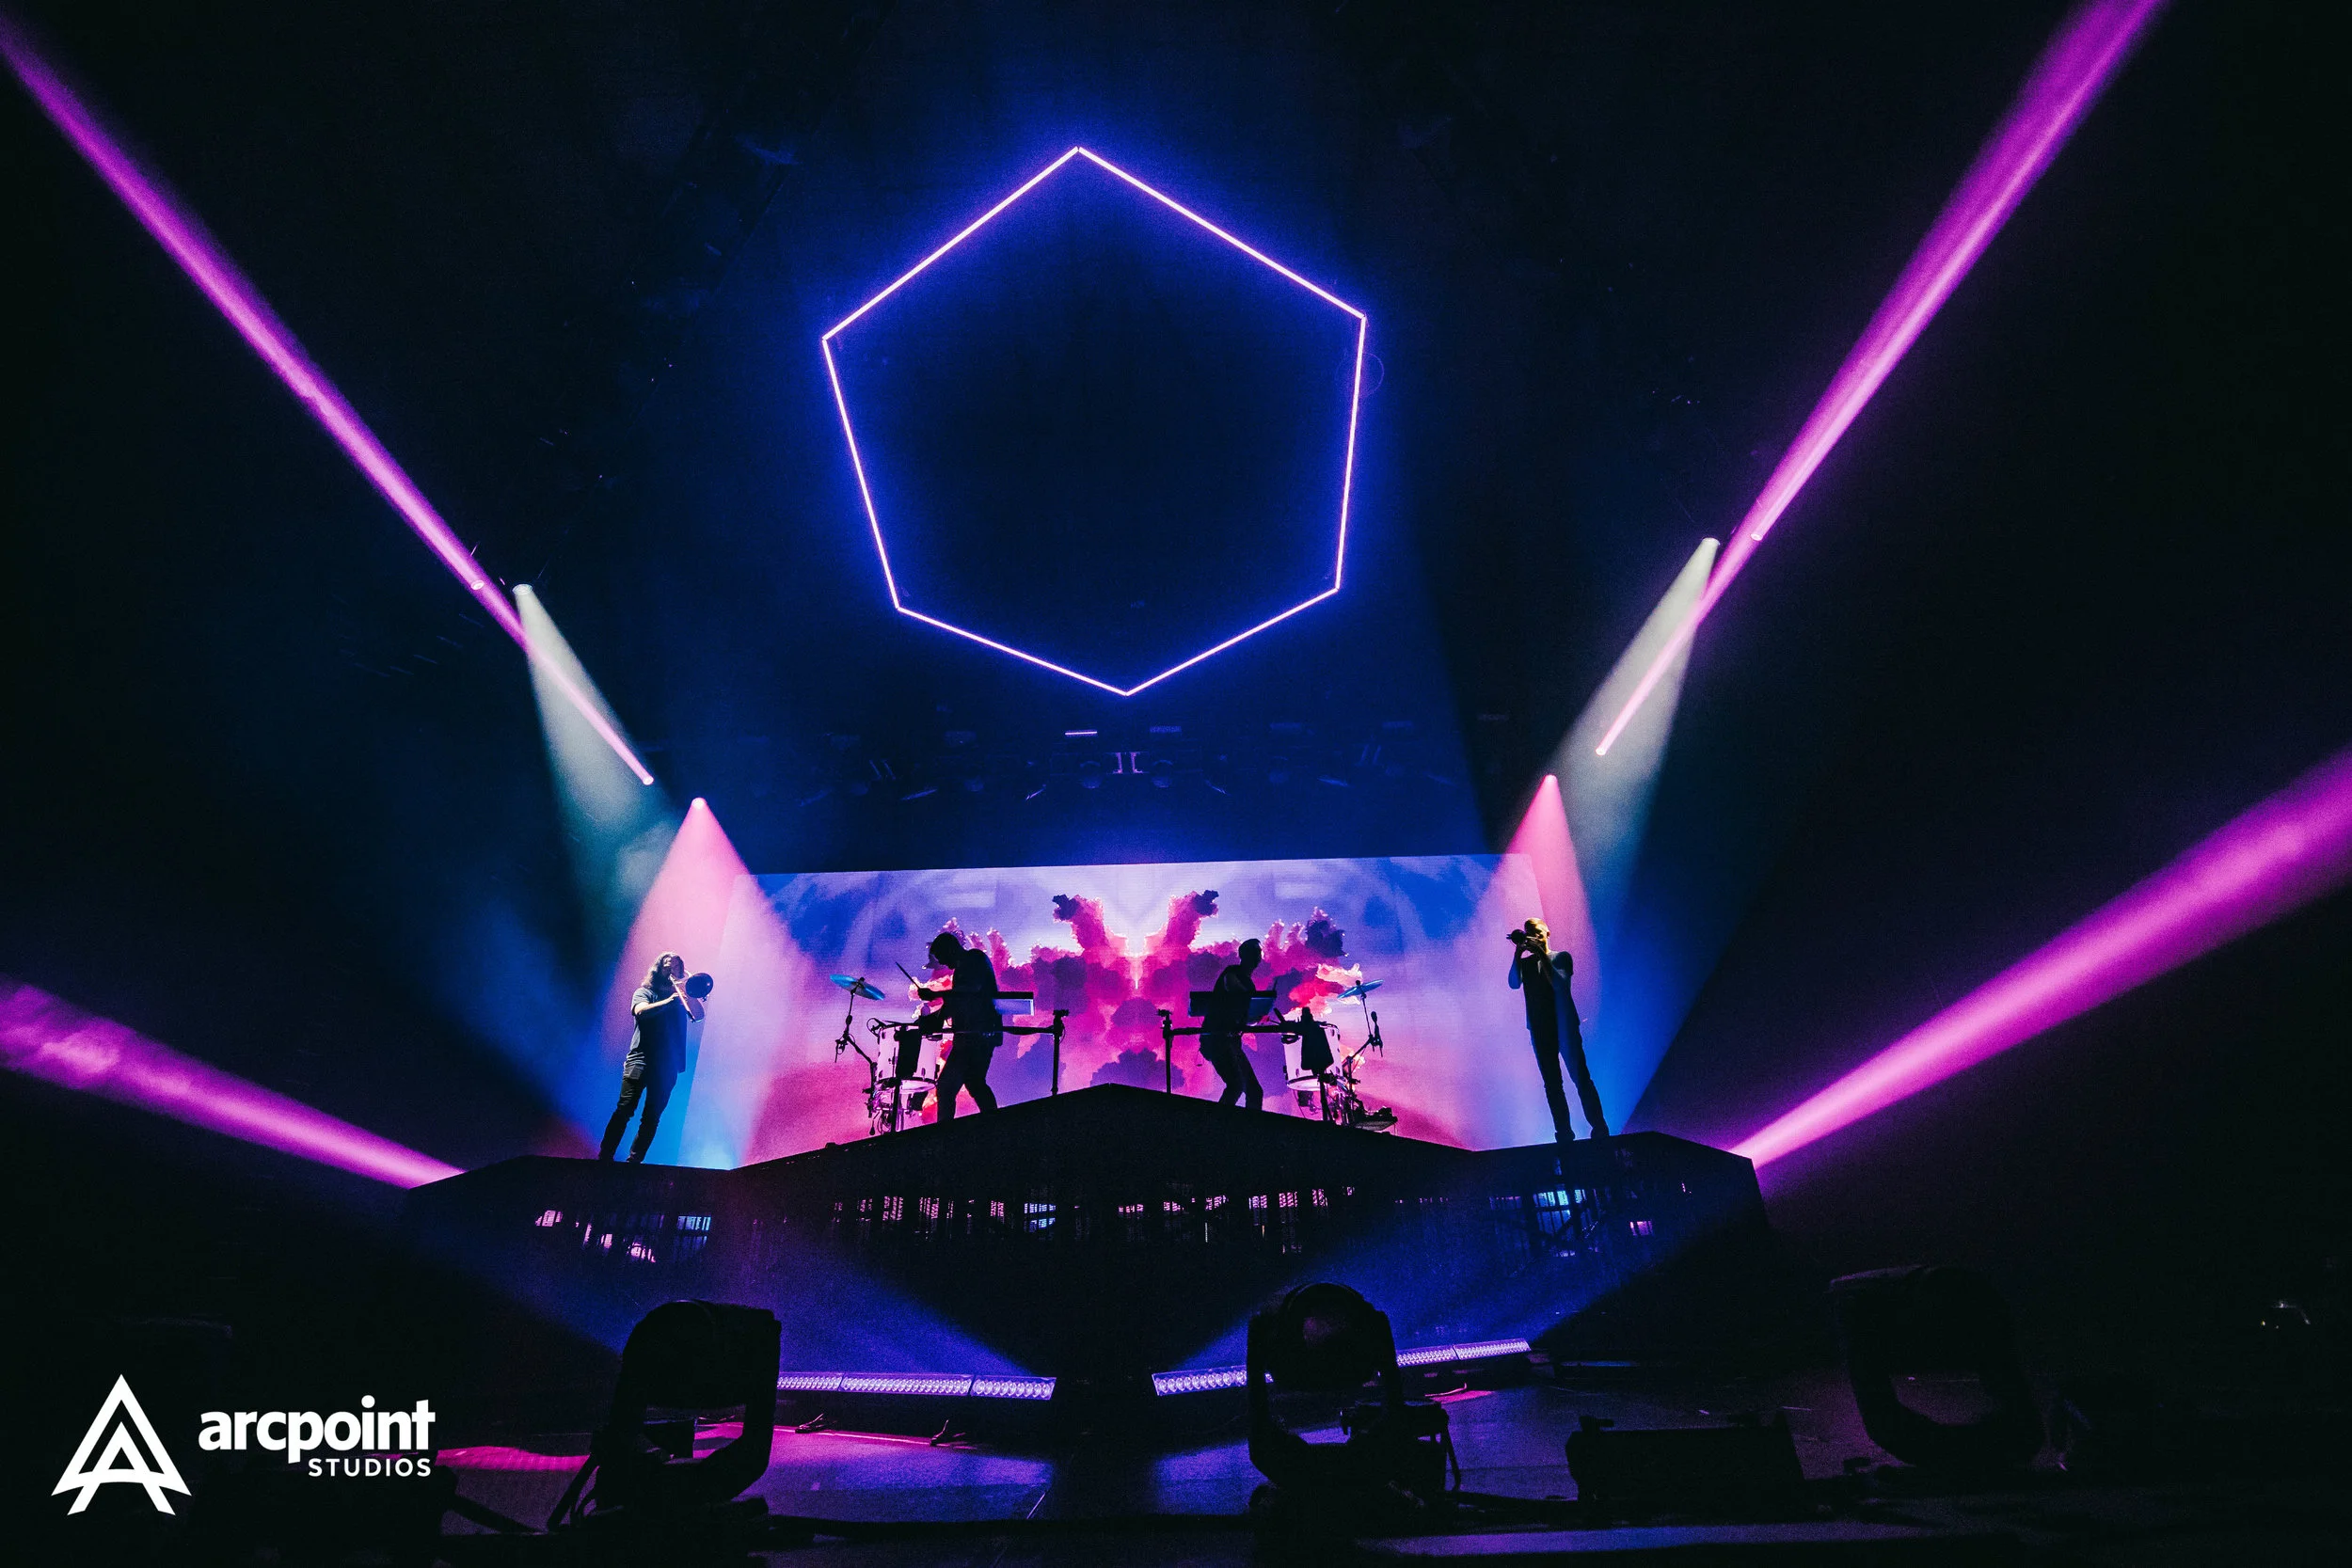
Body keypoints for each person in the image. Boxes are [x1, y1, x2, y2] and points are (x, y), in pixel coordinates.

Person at [1507, 917, 1609, 1144]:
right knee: (1552, 1085)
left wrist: (1541, 954)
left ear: (1547, 932)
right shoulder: (1526, 964)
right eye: (1528, 932)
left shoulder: (1561, 957)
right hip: (1539, 1029)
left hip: (1565, 1026)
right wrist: (1518, 953)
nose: (1532, 935)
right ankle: (1564, 1134)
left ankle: (1599, 1127)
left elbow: (1559, 985)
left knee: (1581, 1078)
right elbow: (1513, 983)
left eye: (1536, 931)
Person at [600, 953, 707, 1163]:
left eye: (676, 967)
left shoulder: (682, 999)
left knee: (652, 1117)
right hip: (640, 1059)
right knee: (624, 1110)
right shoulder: (644, 992)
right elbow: (640, 1012)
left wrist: (689, 992)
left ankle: (634, 1161)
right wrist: (668, 1001)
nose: (672, 970)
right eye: (668, 966)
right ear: (658, 970)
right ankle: (605, 1157)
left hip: (668, 1065)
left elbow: (699, 1015)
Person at [916, 930, 1001, 1118]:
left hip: (976, 1035)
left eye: (943, 957)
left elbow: (971, 991)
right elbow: (957, 1003)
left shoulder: (974, 958)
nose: (944, 963)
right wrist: (935, 1018)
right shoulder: (963, 968)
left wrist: (936, 995)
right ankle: (996, 1124)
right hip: (972, 1036)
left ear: (951, 949)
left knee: (948, 1087)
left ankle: (947, 1132)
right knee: (974, 1083)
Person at [1200, 938, 1267, 1110]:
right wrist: (1253, 1000)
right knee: (1236, 1085)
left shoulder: (1250, 985)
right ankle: (1221, 1123)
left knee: (1254, 1091)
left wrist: (1259, 1017)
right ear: (1245, 955)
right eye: (1255, 953)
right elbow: (1231, 986)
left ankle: (1250, 1126)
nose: (1257, 957)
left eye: (1258, 953)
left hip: (1231, 1042)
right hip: (1216, 1039)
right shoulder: (1232, 972)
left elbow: (1247, 1019)